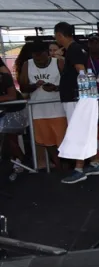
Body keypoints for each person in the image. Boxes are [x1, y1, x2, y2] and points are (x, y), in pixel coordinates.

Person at [54, 22, 99, 184]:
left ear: (60, 35)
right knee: (84, 130)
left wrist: (85, 93)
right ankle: (95, 163)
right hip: (78, 96)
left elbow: (81, 71)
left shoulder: (74, 49)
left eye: (56, 36)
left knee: (78, 131)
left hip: (76, 97)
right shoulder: (76, 49)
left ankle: (79, 169)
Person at [18, 41, 66, 170]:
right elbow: (23, 87)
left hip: (58, 109)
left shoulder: (58, 63)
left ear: (47, 53)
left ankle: (66, 165)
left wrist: (56, 88)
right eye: (35, 56)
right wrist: (34, 86)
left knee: (62, 140)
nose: (38, 59)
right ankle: (59, 165)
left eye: (41, 56)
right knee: (47, 141)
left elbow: (69, 85)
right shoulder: (27, 64)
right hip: (38, 111)